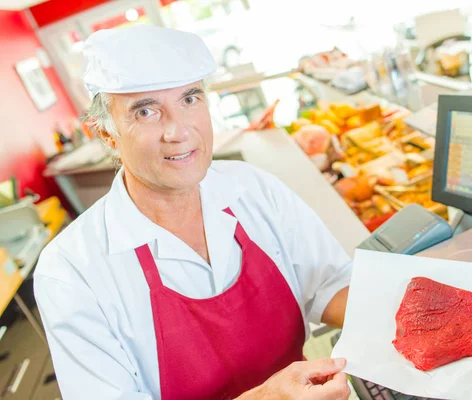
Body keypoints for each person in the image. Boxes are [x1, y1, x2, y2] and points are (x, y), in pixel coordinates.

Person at [34, 25, 352, 400]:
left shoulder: (253, 188)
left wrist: (413, 314)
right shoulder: (71, 271)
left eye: (190, 99)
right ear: (107, 134)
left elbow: (328, 285)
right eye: (146, 111)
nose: (179, 131)